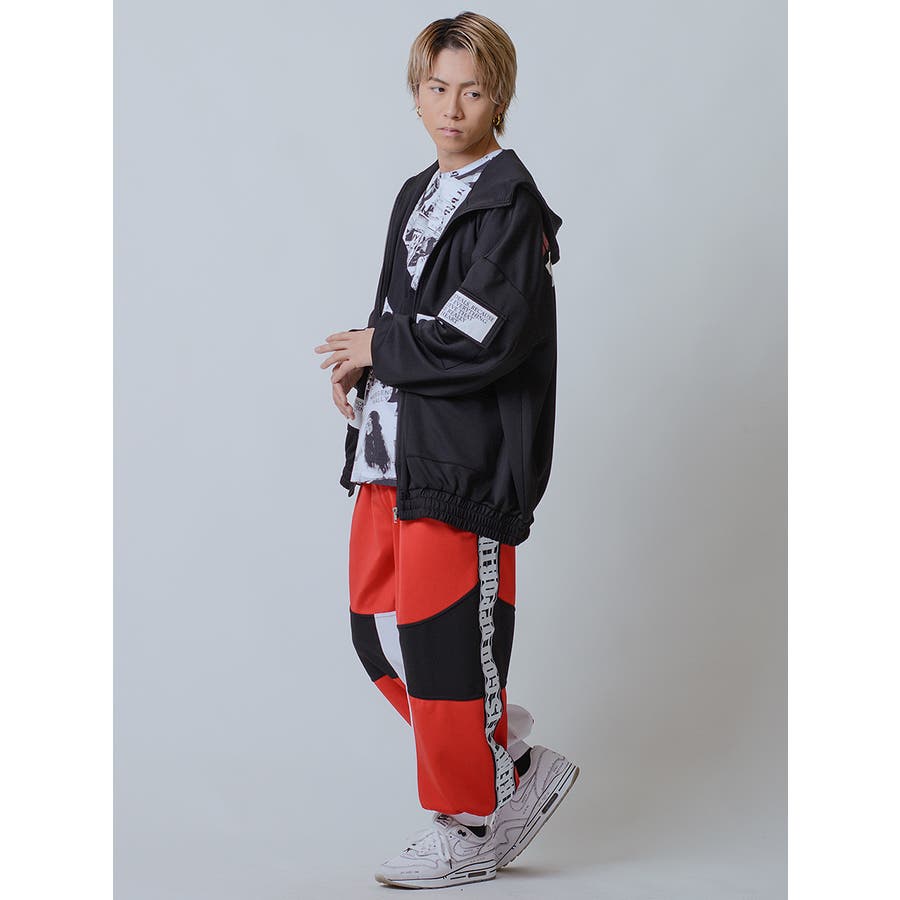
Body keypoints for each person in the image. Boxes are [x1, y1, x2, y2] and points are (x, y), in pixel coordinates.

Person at [314, 11, 579, 889]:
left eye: (471, 91)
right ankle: (509, 759)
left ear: (498, 96)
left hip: (462, 463)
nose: (452, 108)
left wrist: (381, 346)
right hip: (394, 450)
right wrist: (365, 369)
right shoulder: (417, 193)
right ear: (417, 92)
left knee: (446, 649)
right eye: (437, 88)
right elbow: (406, 313)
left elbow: (479, 334)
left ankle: (468, 823)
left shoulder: (509, 204)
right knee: (381, 637)